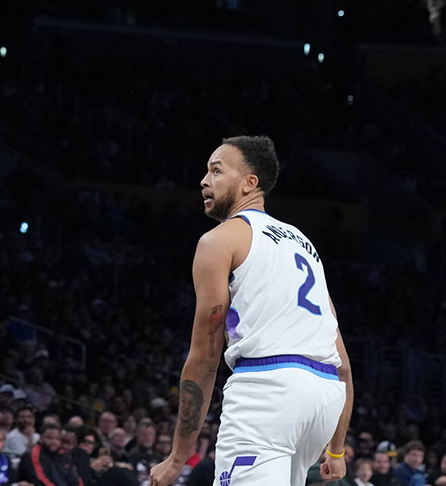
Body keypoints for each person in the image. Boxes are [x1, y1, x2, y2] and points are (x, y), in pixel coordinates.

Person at [148, 137, 354, 486]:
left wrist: (176, 458)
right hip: (324, 396)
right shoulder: (304, 244)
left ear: (249, 182)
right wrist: (336, 451)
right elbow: (343, 364)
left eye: (216, 171)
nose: (204, 180)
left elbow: (205, 358)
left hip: (268, 391)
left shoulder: (220, 240)